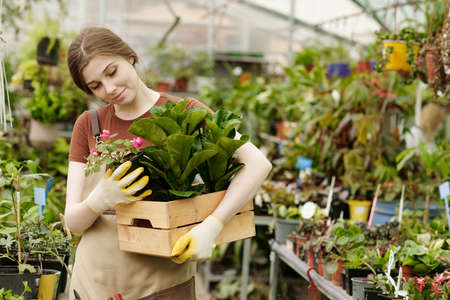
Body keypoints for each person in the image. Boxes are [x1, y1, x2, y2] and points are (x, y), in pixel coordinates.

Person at [64, 27, 272, 300]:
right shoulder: (90, 125)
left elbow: (257, 164)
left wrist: (213, 225)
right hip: (95, 284)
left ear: (129, 56)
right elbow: (73, 222)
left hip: (163, 286)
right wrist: (97, 200)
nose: (109, 88)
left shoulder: (184, 113)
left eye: (112, 72)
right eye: (96, 86)